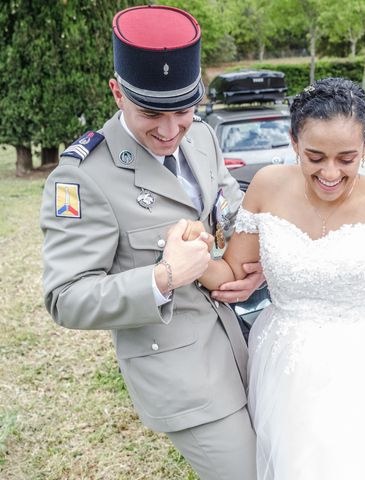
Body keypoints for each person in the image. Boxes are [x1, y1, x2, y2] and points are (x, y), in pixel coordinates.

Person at [187, 77, 365, 479]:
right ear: (294, 142)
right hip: (288, 367)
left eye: (347, 158)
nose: (330, 172)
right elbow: (231, 274)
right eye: (315, 157)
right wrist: (191, 256)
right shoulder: (267, 186)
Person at [40, 5, 263, 479]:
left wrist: (251, 258)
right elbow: (65, 297)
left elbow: (229, 206)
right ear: (118, 92)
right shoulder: (82, 177)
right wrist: (164, 278)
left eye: (183, 109)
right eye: (150, 113)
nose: (169, 131)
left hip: (243, 350)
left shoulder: (201, 137)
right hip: (182, 378)